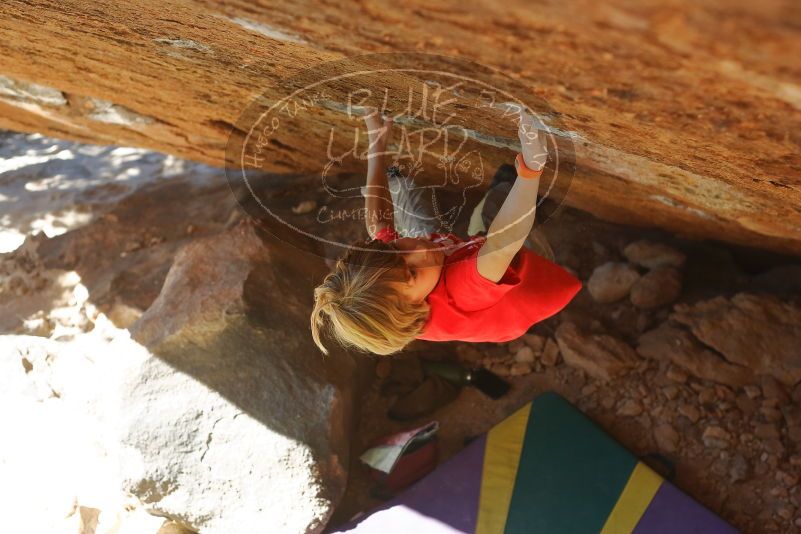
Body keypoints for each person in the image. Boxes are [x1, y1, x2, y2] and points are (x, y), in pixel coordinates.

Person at [310, 107, 581, 355]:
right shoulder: (462, 291)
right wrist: (530, 170)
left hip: (451, 264)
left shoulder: (397, 279)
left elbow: (377, 224)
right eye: (411, 272)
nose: (418, 250)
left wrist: (377, 145)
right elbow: (505, 241)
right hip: (518, 274)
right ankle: (510, 186)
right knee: (492, 215)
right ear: (419, 307)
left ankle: (399, 181)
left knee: (416, 228)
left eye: (396, 248)